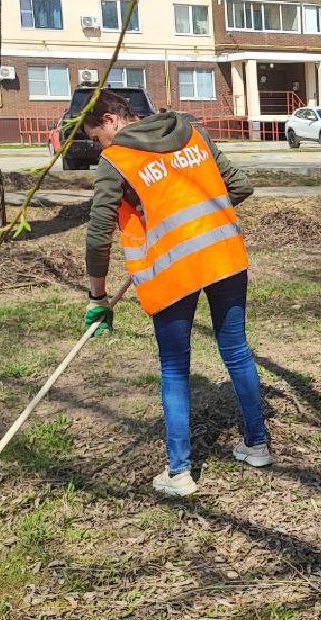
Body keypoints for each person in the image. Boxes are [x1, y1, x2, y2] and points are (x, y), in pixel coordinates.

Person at [80, 92, 271, 496]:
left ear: (111, 120)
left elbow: (98, 234)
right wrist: (202, 217)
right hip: (223, 255)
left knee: (174, 366)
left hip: (173, 269)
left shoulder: (117, 159)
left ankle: (180, 472)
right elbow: (240, 186)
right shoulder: (193, 133)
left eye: (97, 137)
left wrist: (97, 297)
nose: (100, 147)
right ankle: (257, 445)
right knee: (236, 350)